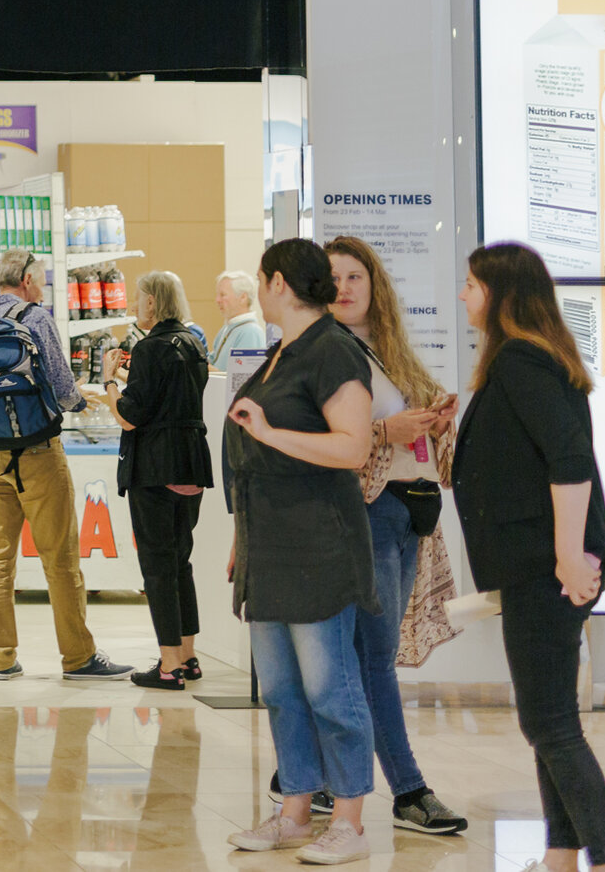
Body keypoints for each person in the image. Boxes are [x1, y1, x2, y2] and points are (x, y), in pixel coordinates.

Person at [453, 243, 605, 872]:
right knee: (548, 718)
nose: (464, 294)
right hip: (536, 564)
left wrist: (569, 556)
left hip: (543, 568)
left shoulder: (522, 361)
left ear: (499, 295)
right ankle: (559, 853)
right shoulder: (526, 361)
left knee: (549, 724)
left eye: (471, 285)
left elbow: (570, 463)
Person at [222, 238, 379, 865]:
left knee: (329, 690)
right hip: (269, 546)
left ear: (279, 282)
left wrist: (269, 431)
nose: (260, 290)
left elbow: (353, 449)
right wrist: (241, 536)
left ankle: (348, 819)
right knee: (282, 690)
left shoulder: (335, 352)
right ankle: (294, 812)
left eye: (262, 280)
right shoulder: (282, 351)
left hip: (319, 546)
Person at [324, 236, 468, 835]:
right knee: (371, 660)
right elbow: (321, 442)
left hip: (412, 513)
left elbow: (420, 444)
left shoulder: (390, 351)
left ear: (374, 285)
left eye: (356, 276)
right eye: (332, 278)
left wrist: (432, 423)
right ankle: (408, 791)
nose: (345, 288)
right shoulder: (325, 353)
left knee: (359, 659)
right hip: (368, 513)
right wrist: (389, 429)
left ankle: (318, 778)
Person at [0, 249, 130, 682]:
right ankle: (77, 658)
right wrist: (83, 398)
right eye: (40, 277)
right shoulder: (36, 319)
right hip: (38, 453)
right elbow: (61, 386)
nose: (42, 286)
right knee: (59, 557)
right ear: (24, 279)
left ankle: (1, 657)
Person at [111, 270, 212, 690]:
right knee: (180, 562)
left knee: (156, 565)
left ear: (153, 301)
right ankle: (188, 656)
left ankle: (168, 664)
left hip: (154, 468)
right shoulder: (194, 344)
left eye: (139, 298)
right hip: (191, 464)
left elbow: (130, 417)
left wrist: (108, 380)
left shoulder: (149, 348)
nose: (136, 305)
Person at [211, 270, 266, 366]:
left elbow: (240, 377)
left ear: (243, 297)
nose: (217, 300)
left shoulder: (251, 333)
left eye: (223, 295)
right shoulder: (226, 329)